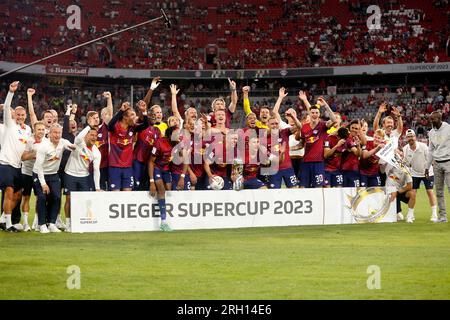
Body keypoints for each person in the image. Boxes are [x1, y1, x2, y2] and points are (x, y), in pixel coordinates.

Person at [0, 81, 32, 232]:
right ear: (14, 115)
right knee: (9, 192)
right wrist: (11, 92)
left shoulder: (27, 130)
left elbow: (24, 152)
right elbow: (6, 107)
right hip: (5, 163)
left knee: (18, 194)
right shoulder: (9, 124)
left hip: (17, 166)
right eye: (17, 114)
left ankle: (2, 219)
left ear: (25, 116)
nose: (19, 116)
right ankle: (7, 224)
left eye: (22, 115)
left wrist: (35, 153)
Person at [33, 124, 75, 233]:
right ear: (49, 134)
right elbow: (38, 167)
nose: (57, 135)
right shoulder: (43, 146)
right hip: (39, 173)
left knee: (57, 197)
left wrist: (75, 147)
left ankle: (52, 223)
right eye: (55, 133)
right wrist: (43, 184)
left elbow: (71, 146)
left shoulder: (63, 142)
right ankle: (41, 224)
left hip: (54, 174)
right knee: (42, 198)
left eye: (59, 133)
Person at [63, 121, 102, 231]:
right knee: (69, 199)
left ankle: (80, 222)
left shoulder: (96, 152)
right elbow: (79, 136)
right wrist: (89, 126)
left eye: (96, 136)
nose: (94, 137)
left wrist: (97, 188)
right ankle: (68, 223)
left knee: (83, 201)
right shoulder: (79, 142)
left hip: (84, 176)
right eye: (91, 135)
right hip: (70, 173)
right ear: (87, 135)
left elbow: (96, 170)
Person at [108, 101, 149, 191]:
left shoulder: (133, 128)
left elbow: (146, 125)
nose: (135, 118)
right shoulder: (115, 127)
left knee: (127, 195)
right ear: (125, 117)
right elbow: (110, 125)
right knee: (116, 195)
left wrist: (144, 112)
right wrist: (121, 110)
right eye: (132, 115)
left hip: (128, 167)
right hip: (115, 167)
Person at [298, 94, 337, 188]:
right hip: (305, 162)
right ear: (309, 114)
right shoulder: (304, 127)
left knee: (319, 187)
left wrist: (326, 105)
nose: (314, 114)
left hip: (318, 163)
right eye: (313, 112)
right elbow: (301, 144)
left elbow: (334, 119)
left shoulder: (323, 126)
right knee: (303, 187)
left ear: (319, 114)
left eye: (316, 112)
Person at [403, 129, 438, 222]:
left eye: (412, 136)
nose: (410, 138)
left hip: (427, 172)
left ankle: (434, 215)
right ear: (406, 138)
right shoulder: (405, 148)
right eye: (408, 137)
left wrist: (427, 170)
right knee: (413, 194)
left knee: (430, 192)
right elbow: (407, 163)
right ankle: (410, 216)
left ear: (415, 137)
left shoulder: (423, 147)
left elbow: (430, 159)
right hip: (414, 173)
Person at [20, 121, 47, 231]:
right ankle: (26, 223)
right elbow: (23, 157)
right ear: (34, 130)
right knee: (26, 197)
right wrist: (34, 153)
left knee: (39, 198)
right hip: (27, 172)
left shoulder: (46, 142)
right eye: (39, 129)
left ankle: (36, 222)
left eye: (42, 129)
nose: (41, 131)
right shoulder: (29, 141)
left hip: (39, 173)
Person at [425, 111, 450, 223]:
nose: (431, 121)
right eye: (430, 119)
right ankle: (443, 216)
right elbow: (430, 150)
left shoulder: (448, 128)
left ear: (440, 119)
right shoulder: (431, 133)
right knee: (439, 191)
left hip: (448, 162)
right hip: (437, 164)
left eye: (433, 119)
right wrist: (427, 167)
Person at [385, 151, 415, 223]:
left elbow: (410, 186)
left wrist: (398, 192)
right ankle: (395, 212)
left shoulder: (406, 169)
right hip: (389, 191)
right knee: (398, 217)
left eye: (401, 155)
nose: (399, 157)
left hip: (399, 191)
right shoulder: (388, 164)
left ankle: (410, 216)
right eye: (398, 155)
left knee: (412, 193)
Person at [96, 91, 113, 190]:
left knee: (112, 190)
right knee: (101, 189)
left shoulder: (112, 128)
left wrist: (109, 99)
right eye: (104, 114)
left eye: (109, 114)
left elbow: (110, 111)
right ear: (101, 117)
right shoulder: (97, 130)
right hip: (100, 165)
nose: (107, 115)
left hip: (112, 164)